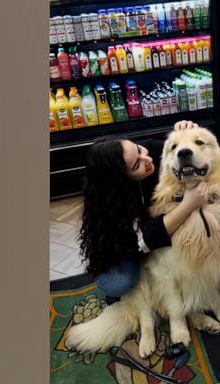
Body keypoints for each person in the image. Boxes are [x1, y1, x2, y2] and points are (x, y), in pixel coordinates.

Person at [79, 120, 208, 301]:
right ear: (121, 180)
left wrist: (187, 134)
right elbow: (143, 239)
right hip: (131, 245)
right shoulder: (109, 203)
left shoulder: (154, 151)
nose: (147, 159)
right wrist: (188, 205)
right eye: (135, 165)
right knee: (116, 283)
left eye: (139, 149)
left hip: (165, 228)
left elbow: (192, 151)